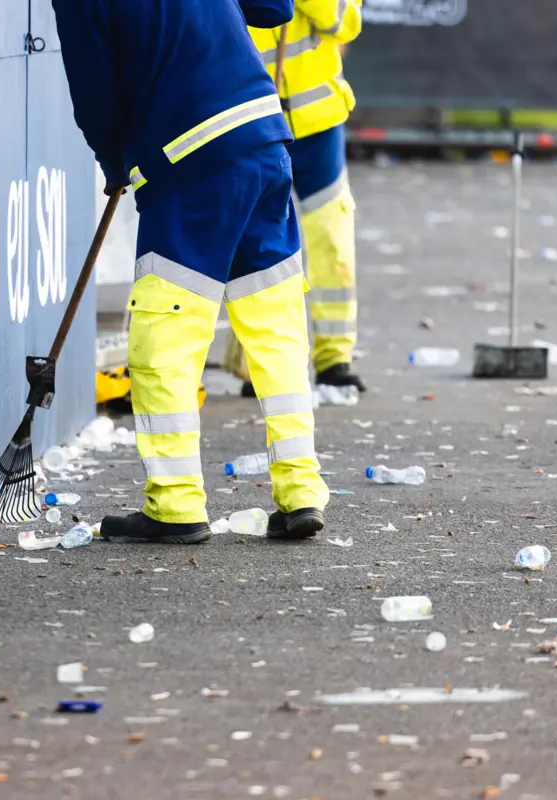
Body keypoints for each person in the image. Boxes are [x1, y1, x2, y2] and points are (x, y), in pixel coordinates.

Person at [52, 0, 330, 544]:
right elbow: (273, 8)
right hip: (263, 137)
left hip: (191, 157)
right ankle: (301, 495)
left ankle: (175, 505)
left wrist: (116, 163)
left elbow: (94, 92)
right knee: (274, 329)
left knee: (164, 338)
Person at [226, 0, 366, 400]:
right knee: (259, 249)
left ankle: (335, 361)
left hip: (318, 123)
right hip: (255, 122)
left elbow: (345, 21)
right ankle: (261, 365)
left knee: (331, 239)